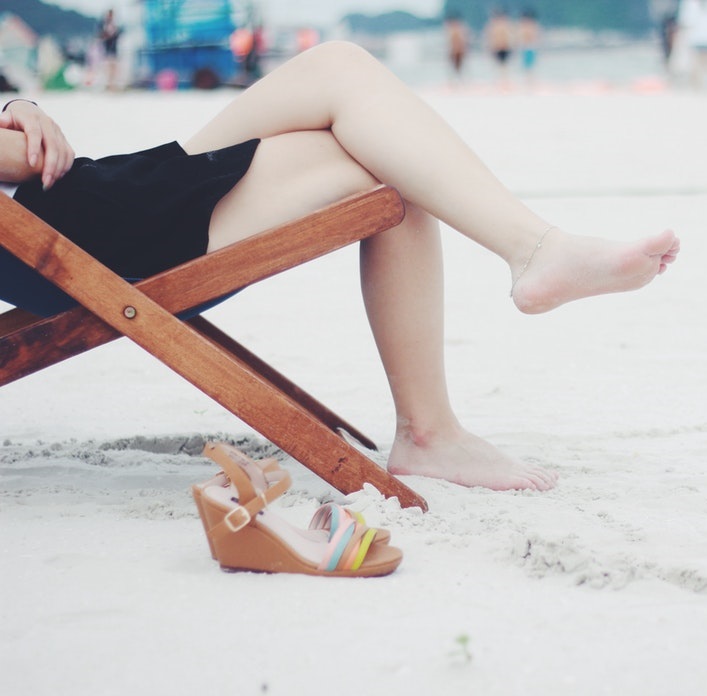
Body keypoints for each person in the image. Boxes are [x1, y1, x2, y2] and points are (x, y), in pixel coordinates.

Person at [0, 42, 680, 493]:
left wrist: (16, 106)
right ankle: (437, 417)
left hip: (94, 203)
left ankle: (523, 273)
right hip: (80, 235)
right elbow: (24, 161)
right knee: (387, 160)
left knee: (341, 70)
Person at [486, 7, 514, 88]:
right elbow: (491, 38)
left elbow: (510, 37)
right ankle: (498, 81)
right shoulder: (494, 26)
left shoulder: (506, 25)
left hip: (505, 47)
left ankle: (504, 81)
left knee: (504, 66)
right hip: (497, 48)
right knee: (498, 66)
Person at [98, 9, 122, 91]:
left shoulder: (115, 25)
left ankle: (112, 85)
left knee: (114, 69)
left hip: (114, 49)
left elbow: (118, 36)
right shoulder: (103, 25)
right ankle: (108, 85)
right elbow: (101, 36)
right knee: (107, 68)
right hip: (107, 49)